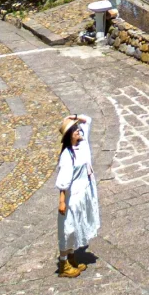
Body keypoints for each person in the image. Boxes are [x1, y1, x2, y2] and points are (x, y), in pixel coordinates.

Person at [56, 113, 100, 277]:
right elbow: (63, 181)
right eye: (74, 129)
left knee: (78, 226)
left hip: (84, 192)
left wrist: (73, 117)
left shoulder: (83, 144)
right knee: (68, 228)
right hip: (73, 196)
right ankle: (63, 264)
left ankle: (72, 258)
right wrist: (62, 202)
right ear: (69, 136)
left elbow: (88, 119)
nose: (78, 130)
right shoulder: (67, 156)